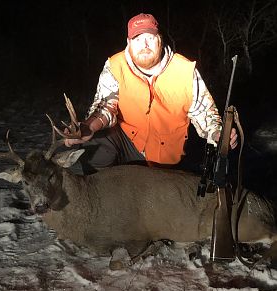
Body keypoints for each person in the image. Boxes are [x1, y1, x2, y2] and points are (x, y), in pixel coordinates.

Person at [64, 13, 237, 174]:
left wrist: (218, 134)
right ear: (128, 42)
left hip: (166, 156)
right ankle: (103, 196)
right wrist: (89, 126)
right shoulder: (115, 66)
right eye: (138, 39)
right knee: (96, 142)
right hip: (129, 144)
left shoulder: (184, 70)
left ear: (160, 40)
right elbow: (105, 106)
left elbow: (205, 112)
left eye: (150, 38)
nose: (144, 45)